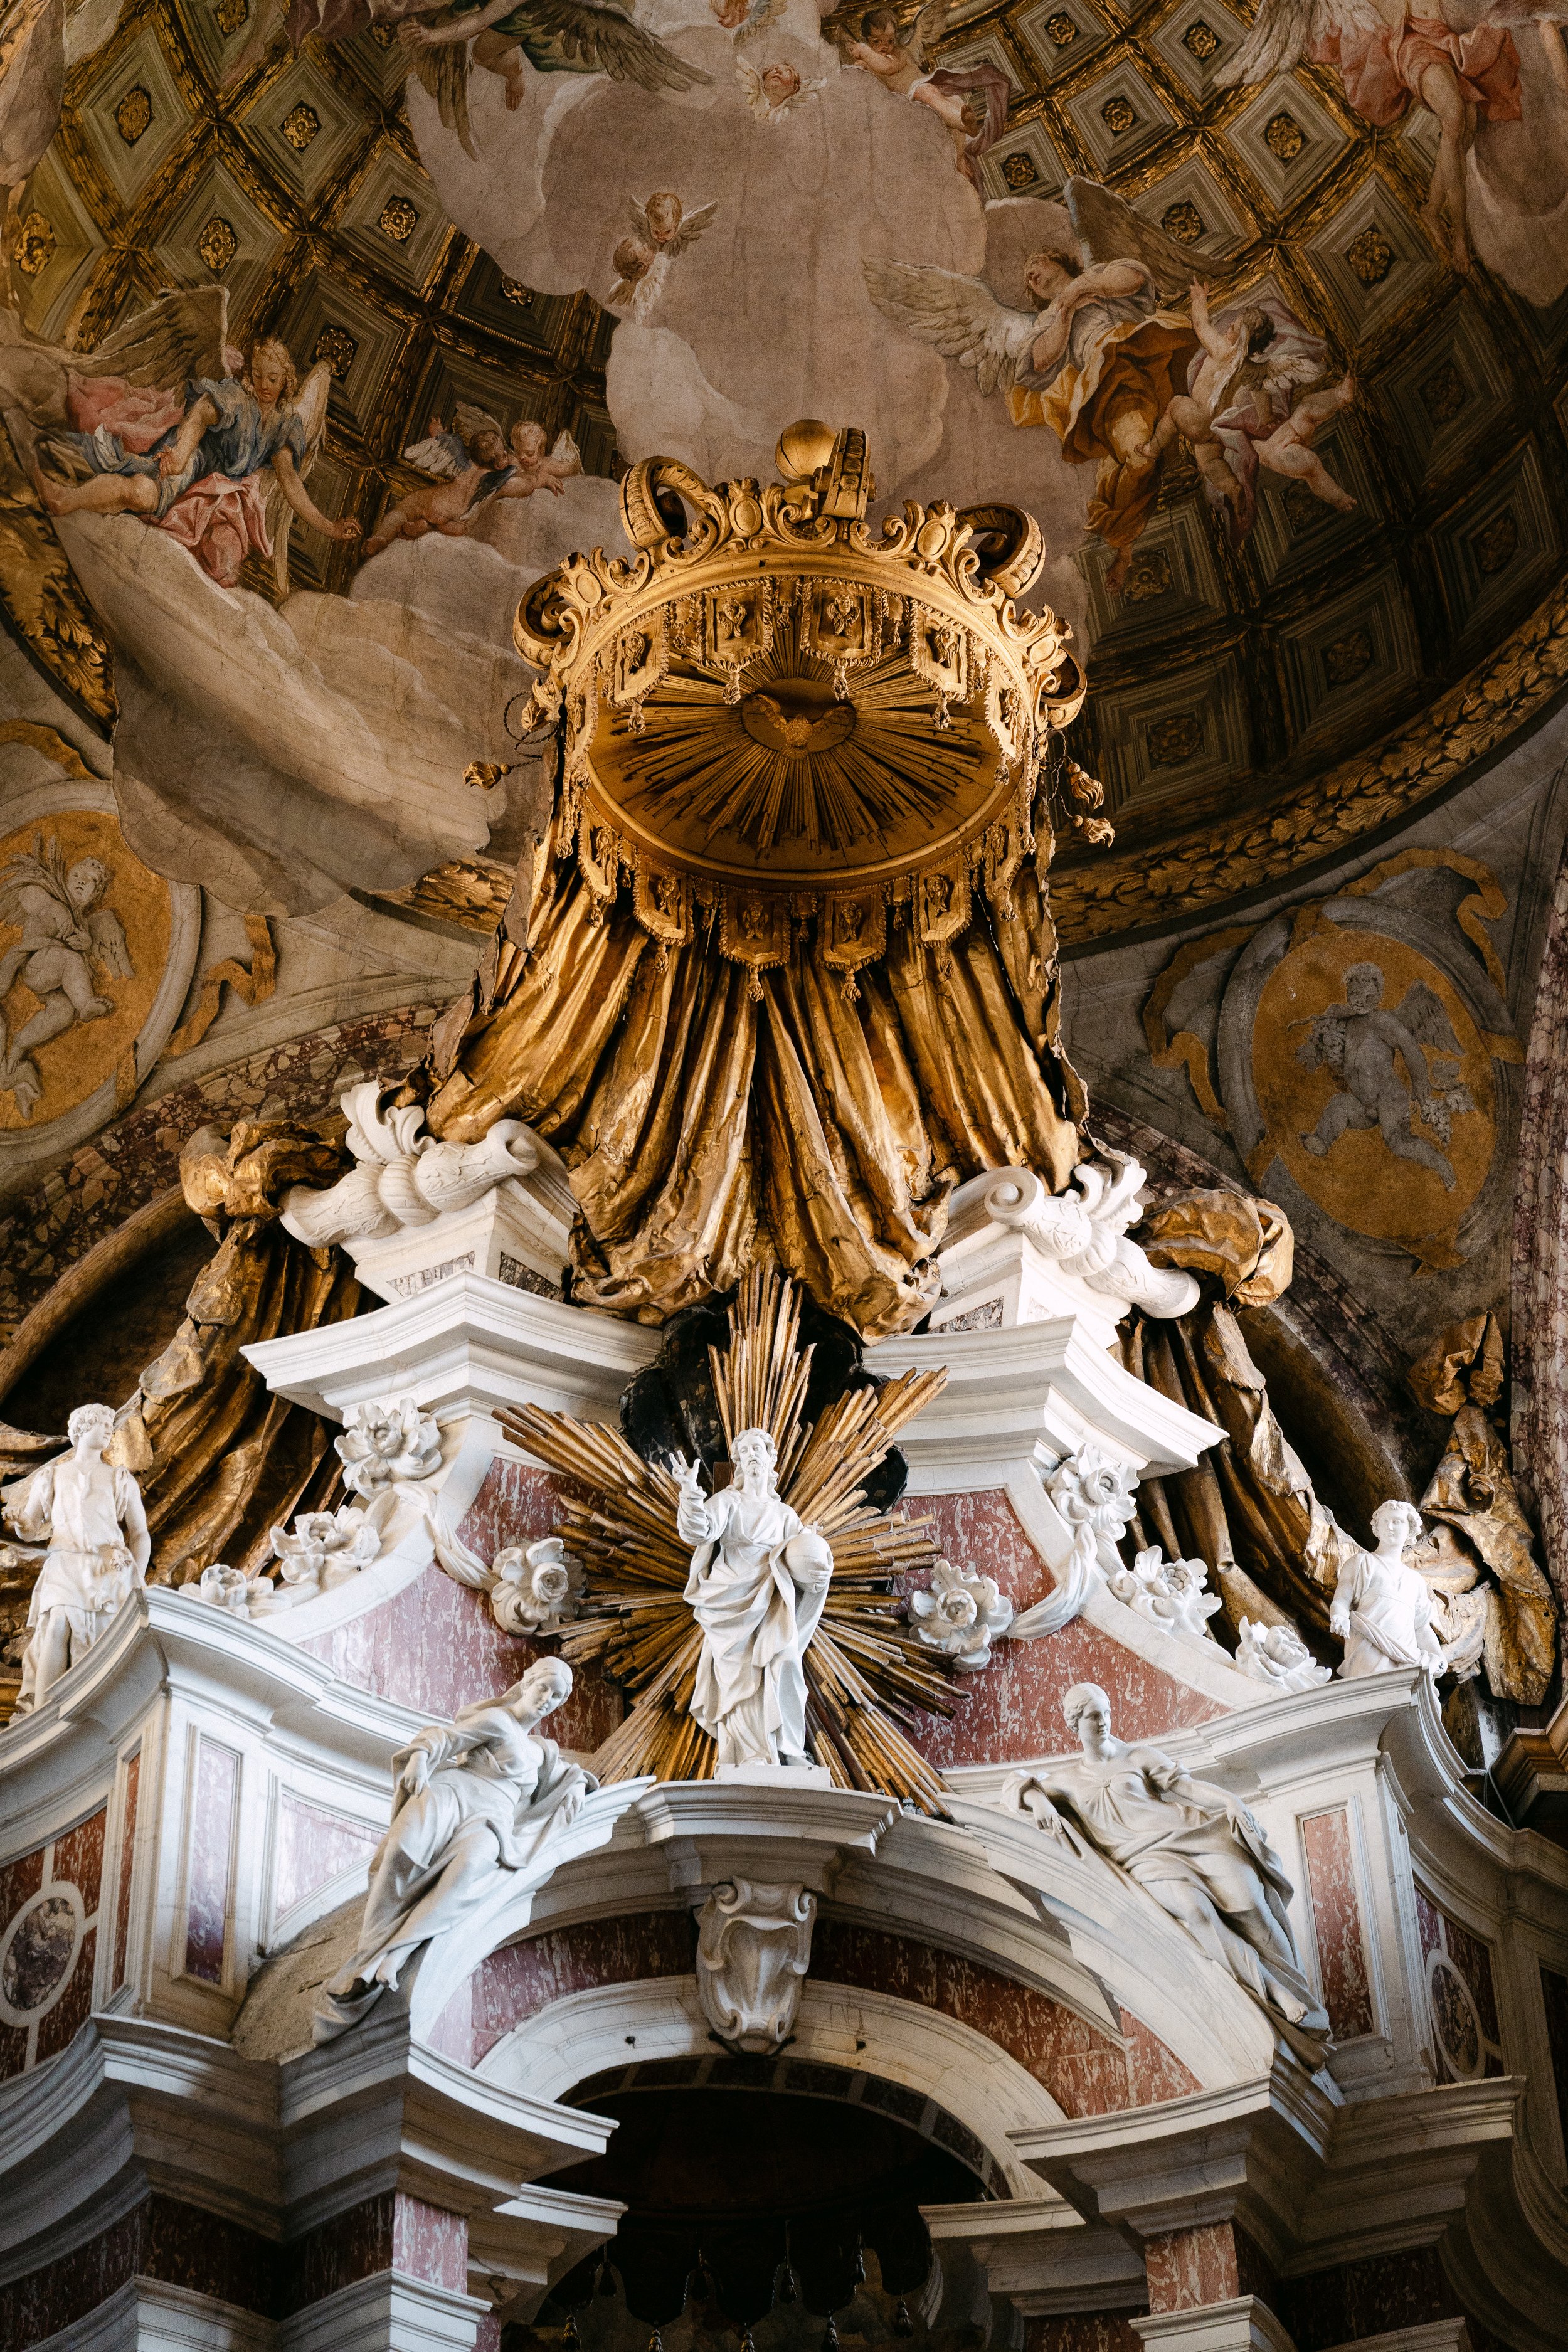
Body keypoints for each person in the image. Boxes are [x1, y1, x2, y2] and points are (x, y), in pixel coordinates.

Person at [1008, 1682, 1328, 2030]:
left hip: (1192, 1837)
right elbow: (1015, 1786)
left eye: (1107, 1714)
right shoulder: (1063, 1781)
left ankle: (1304, 1998)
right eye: (1094, 1717)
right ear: (1075, 1723)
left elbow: (1186, 1788)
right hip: (1145, 1860)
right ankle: (1277, 1992)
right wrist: (1037, 1799)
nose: (1103, 1723)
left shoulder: (1137, 1756)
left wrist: (1229, 1800)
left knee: (1252, 1904)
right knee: (1196, 1913)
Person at [314, 1656, 591, 2040]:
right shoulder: (498, 1722)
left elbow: (573, 1777)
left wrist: (578, 1786)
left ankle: (397, 1953)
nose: (547, 1699)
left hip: (492, 1817)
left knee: (469, 1871)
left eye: (557, 1696)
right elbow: (445, 1738)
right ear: (527, 1683)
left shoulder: (543, 1751)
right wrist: (421, 1759)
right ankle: (369, 1951)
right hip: (454, 1796)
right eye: (543, 1687)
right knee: (400, 1853)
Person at [33, 339, 360, 587]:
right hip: (195, 459)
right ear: (250, 374)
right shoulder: (237, 396)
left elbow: (290, 482)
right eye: (258, 376)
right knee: (141, 493)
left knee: (227, 566)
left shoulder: (285, 426)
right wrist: (178, 456)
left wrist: (329, 527)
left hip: (225, 494)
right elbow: (203, 412)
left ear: (285, 381)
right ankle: (66, 500)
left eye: (272, 379)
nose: (264, 385)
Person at [674, 1428, 832, 1770]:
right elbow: (699, 1532)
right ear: (739, 1462)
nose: (752, 1456)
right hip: (728, 1598)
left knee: (787, 1660)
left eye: (758, 1449)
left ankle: (790, 1750)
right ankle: (751, 1755)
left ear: (770, 1457)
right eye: (745, 1451)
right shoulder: (728, 1502)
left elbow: (804, 1557)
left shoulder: (786, 1515)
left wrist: (817, 1565)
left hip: (773, 1597)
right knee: (739, 1677)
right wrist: (689, 1494)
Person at [6, 1403, 150, 1711]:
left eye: (112, 1425)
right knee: (57, 1625)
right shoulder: (53, 1476)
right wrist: (20, 1522)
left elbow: (139, 1533)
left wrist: (135, 1576)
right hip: (65, 1562)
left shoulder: (119, 1479)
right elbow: (31, 1528)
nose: (110, 1430)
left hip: (106, 1568)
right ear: (83, 1430)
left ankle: (91, 1710)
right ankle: (41, 1714)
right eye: (103, 1424)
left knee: (100, 1639)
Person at [1330, 1499, 1446, 1680]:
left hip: (1408, 1659)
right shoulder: (1362, 1563)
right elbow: (1341, 1601)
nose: (1390, 1527)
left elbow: (1421, 1628)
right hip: (1369, 1649)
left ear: (1410, 1529)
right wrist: (1340, 1617)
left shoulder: (1416, 1581)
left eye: (1397, 1522)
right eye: (1385, 1521)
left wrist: (1438, 1656)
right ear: (1377, 1527)